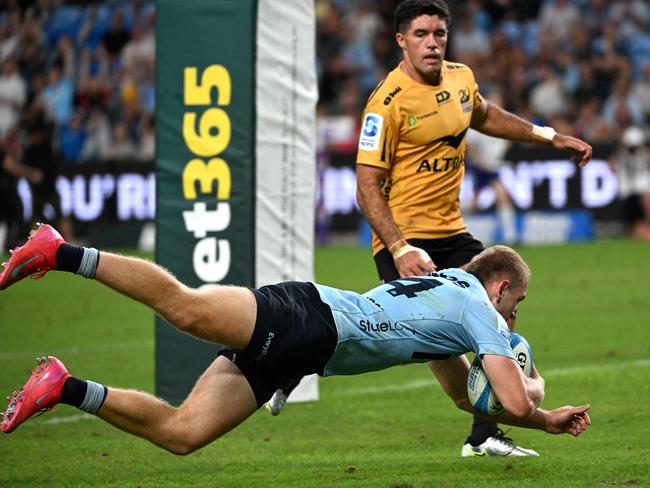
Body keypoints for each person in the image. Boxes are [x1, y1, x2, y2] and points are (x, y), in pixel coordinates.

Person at [270, 0, 593, 457]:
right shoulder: (386, 103)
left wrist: (546, 136)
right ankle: (298, 357)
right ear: (401, 40)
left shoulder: (461, 78)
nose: (433, 43)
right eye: (421, 34)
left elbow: (482, 115)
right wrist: (400, 247)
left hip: (455, 236)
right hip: (405, 242)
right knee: (431, 360)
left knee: (499, 314)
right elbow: (366, 186)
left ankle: (484, 434)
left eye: (439, 33)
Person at [0, 224, 590, 454]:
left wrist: (547, 421)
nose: (513, 320)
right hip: (311, 317)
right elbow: (512, 397)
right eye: (516, 307)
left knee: (183, 435)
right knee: (186, 310)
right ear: (503, 284)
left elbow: (467, 398)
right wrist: (533, 379)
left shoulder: (453, 306)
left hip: (305, 350)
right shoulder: (476, 305)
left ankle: (62, 386)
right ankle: (61, 250)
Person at [608, 126, 650, 240]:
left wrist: (642, 149)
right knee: (634, 227)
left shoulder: (643, 154)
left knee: (647, 199)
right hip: (627, 191)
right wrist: (621, 151)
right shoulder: (621, 154)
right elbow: (610, 166)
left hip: (642, 188)